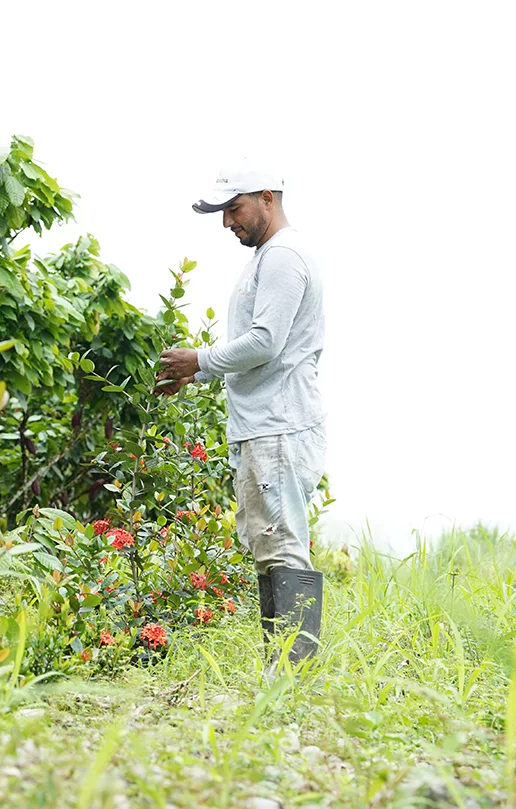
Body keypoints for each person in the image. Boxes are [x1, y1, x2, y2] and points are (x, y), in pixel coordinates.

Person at [155, 161, 326, 664]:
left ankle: (294, 673)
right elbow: (258, 346)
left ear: (267, 198)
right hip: (264, 425)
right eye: (223, 212)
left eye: (234, 208)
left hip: (279, 425)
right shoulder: (267, 257)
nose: (228, 223)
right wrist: (199, 373)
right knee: (269, 549)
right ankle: (282, 668)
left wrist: (200, 359)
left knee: (283, 548)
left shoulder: (283, 256)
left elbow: (266, 343)